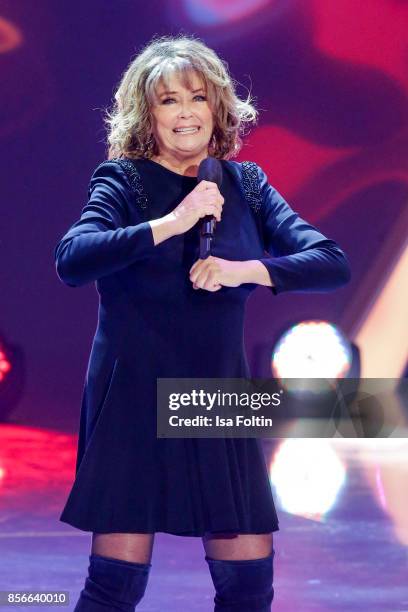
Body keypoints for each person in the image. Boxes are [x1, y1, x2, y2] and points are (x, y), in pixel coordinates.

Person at [55, 34, 351, 611]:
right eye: (168, 101)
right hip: (135, 393)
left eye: (196, 98)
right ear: (149, 115)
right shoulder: (124, 182)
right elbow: (73, 257)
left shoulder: (248, 185)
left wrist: (245, 271)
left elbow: (330, 262)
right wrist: (174, 221)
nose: (185, 113)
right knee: (114, 588)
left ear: (217, 107)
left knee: (247, 589)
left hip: (216, 395)